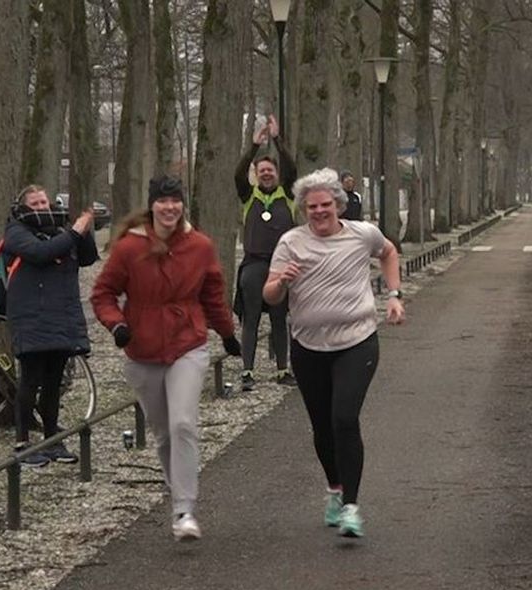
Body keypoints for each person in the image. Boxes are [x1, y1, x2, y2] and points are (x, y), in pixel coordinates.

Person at [92, 175, 241, 542]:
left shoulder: (200, 246)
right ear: (152, 205)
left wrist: (227, 333)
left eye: (176, 201)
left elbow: (212, 296)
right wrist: (117, 325)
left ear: (182, 205)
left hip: (187, 343)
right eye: (163, 202)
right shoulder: (129, 248)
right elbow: (103, 295)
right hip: (142, 350)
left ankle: (184, 509)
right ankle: (178, 495)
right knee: (162, 434)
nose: (170, 208)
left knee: (183, 424)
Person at [263, 168, 405, 539]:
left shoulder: (362, 235)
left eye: (326, 204)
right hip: (309, 346)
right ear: (303, 209)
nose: (320, 211)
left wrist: (394, 296)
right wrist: (282, 281)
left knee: (344, 417)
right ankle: (335, 489)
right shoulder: (291, 242)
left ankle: (352, 507)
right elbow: (270, 296)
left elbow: (389, 252)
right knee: (323, 427)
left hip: (357, 341)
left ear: (338, 205)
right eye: (312, 206)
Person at [3, 184, 98, 467]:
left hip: (60, 315)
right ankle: (23, 443)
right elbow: (41, 253)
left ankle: (50, 438)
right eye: (35, 203)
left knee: (54, 382)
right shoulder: (17, 232)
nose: (42, 207)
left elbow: (87, 257)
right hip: (31, 317)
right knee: (30, 379)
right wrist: (74, 232)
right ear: (23, 207)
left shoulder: (60, 230)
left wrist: (84, 230)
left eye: (45, 201)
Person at [234, 115, 297, 391]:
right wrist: (253, 147)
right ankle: (247, 371)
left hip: (280, 266)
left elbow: (293, 168)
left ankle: (283, 370)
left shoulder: (288, 194)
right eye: (262, 171)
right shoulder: (249, 197)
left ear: (276, 172)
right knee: (251, 320)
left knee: (279, 319)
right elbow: (238, 174)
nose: (267, 174)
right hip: (254, 266)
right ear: (257, 174)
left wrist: (277, 141)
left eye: (270, 170)